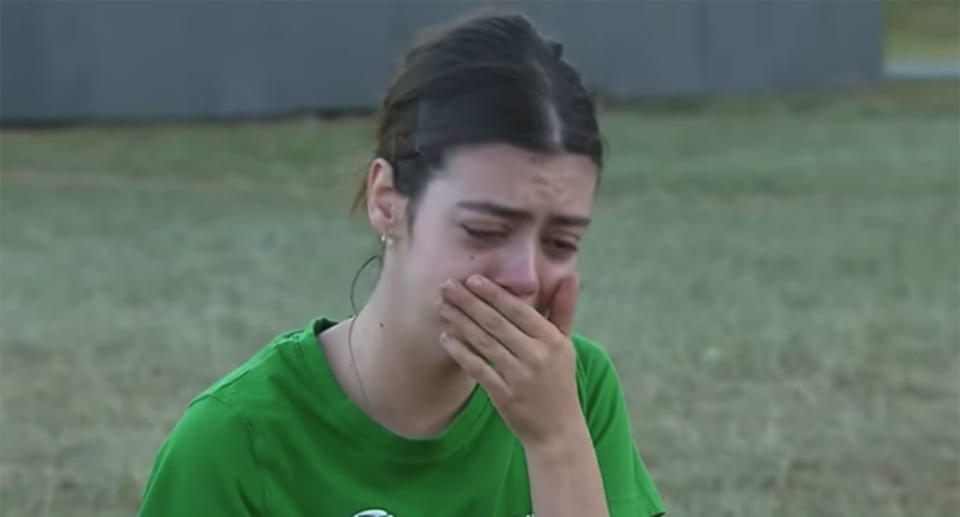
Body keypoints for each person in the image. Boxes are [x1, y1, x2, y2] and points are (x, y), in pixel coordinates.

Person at [139, 10, 665, 517]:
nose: (525, 276)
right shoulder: (233, 444)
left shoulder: (576, 391)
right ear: (387, 200)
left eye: (561, 241)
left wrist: (556, 444)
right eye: (484, 230)